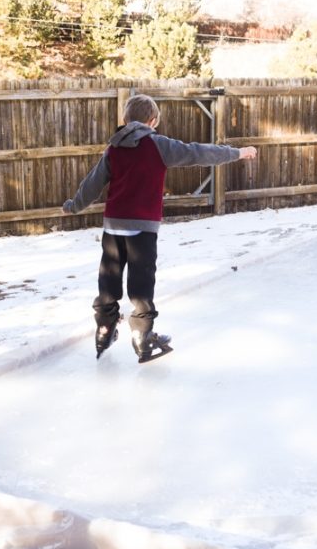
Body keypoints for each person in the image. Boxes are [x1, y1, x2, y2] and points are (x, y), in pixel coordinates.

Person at [63, 93, 257, 363]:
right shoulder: (159, 145)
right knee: (141, 284)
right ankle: (143, 338)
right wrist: (237, 153)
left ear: (124, 119)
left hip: (113, 228)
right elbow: (198, 152)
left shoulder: (113, 148)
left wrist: (73, 205)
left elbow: (92, 184)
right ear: (152, 121)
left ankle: (105, 328)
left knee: (108, 281)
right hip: (141, 230)